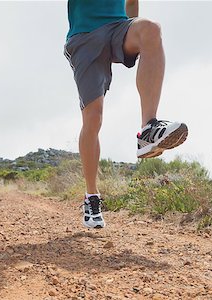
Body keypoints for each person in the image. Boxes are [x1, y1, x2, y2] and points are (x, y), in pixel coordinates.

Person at [64, 0, 188, 229]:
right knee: (93, 118)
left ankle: (148, 129)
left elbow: (131, 2)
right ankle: (91, 196)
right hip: (84, 37)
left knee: (150, 29)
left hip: (117, 29)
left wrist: (129, 34)